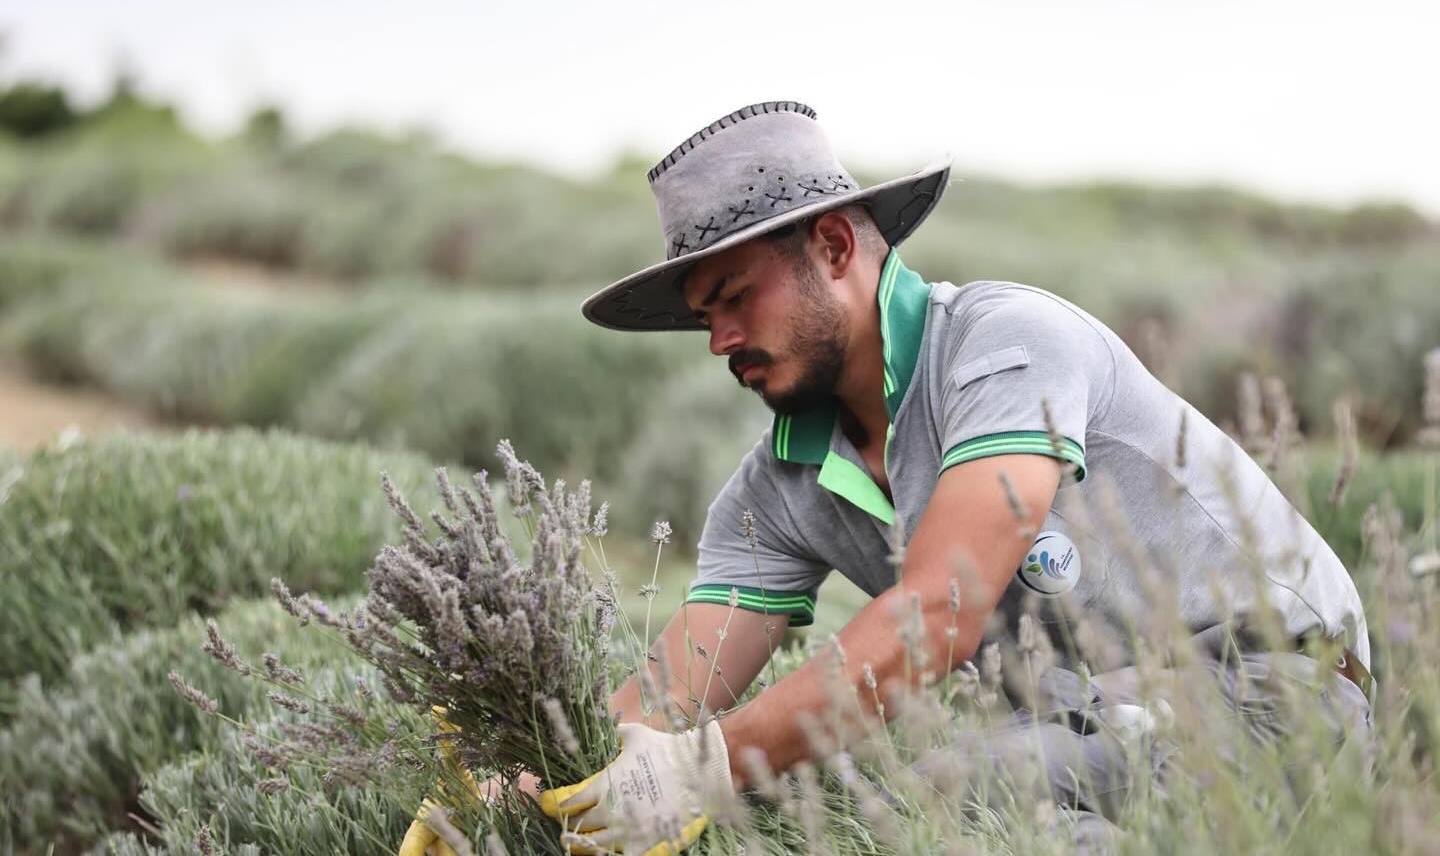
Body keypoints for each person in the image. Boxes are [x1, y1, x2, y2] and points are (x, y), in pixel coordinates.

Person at [399, 101, 1373, 856]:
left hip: (1273, 688)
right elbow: (668, 695)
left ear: (832, 247)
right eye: (705, 317)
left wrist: (707, 771)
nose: (720, 340)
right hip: (1088, 730)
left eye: (735, 296)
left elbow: (936, 613)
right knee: (908, 802)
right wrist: (521, 796)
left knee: (950, 797)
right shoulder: (773, 488)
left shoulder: (1007, 345)